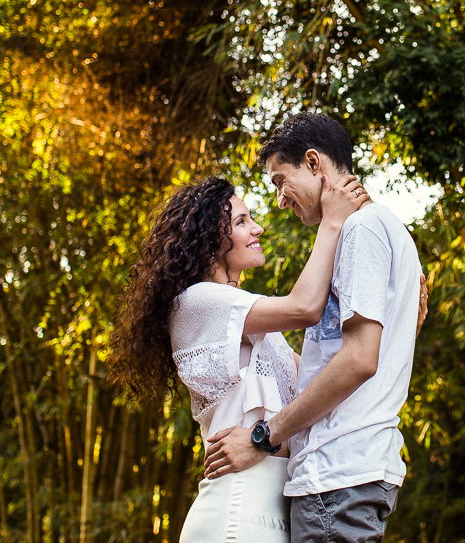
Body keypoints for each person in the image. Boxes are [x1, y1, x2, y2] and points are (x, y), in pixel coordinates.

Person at [108, 171, 424, 542]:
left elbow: (329, 379)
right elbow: (305, 307)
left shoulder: (259, 334)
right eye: (242, 221)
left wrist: (397, 329)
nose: (257, 228)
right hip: (238, 509)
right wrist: (333, 222)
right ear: (209, 240)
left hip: (277, 509)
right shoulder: (197, 302)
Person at [203, 113, 424, 543]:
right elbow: (361, 355)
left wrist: (264, 437)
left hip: (336, 474)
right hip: (349, 473)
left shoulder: (361, 228)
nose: (281, 200)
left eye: (279, 181)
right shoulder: (384, 228)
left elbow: (360, 360)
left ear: (312, 163)